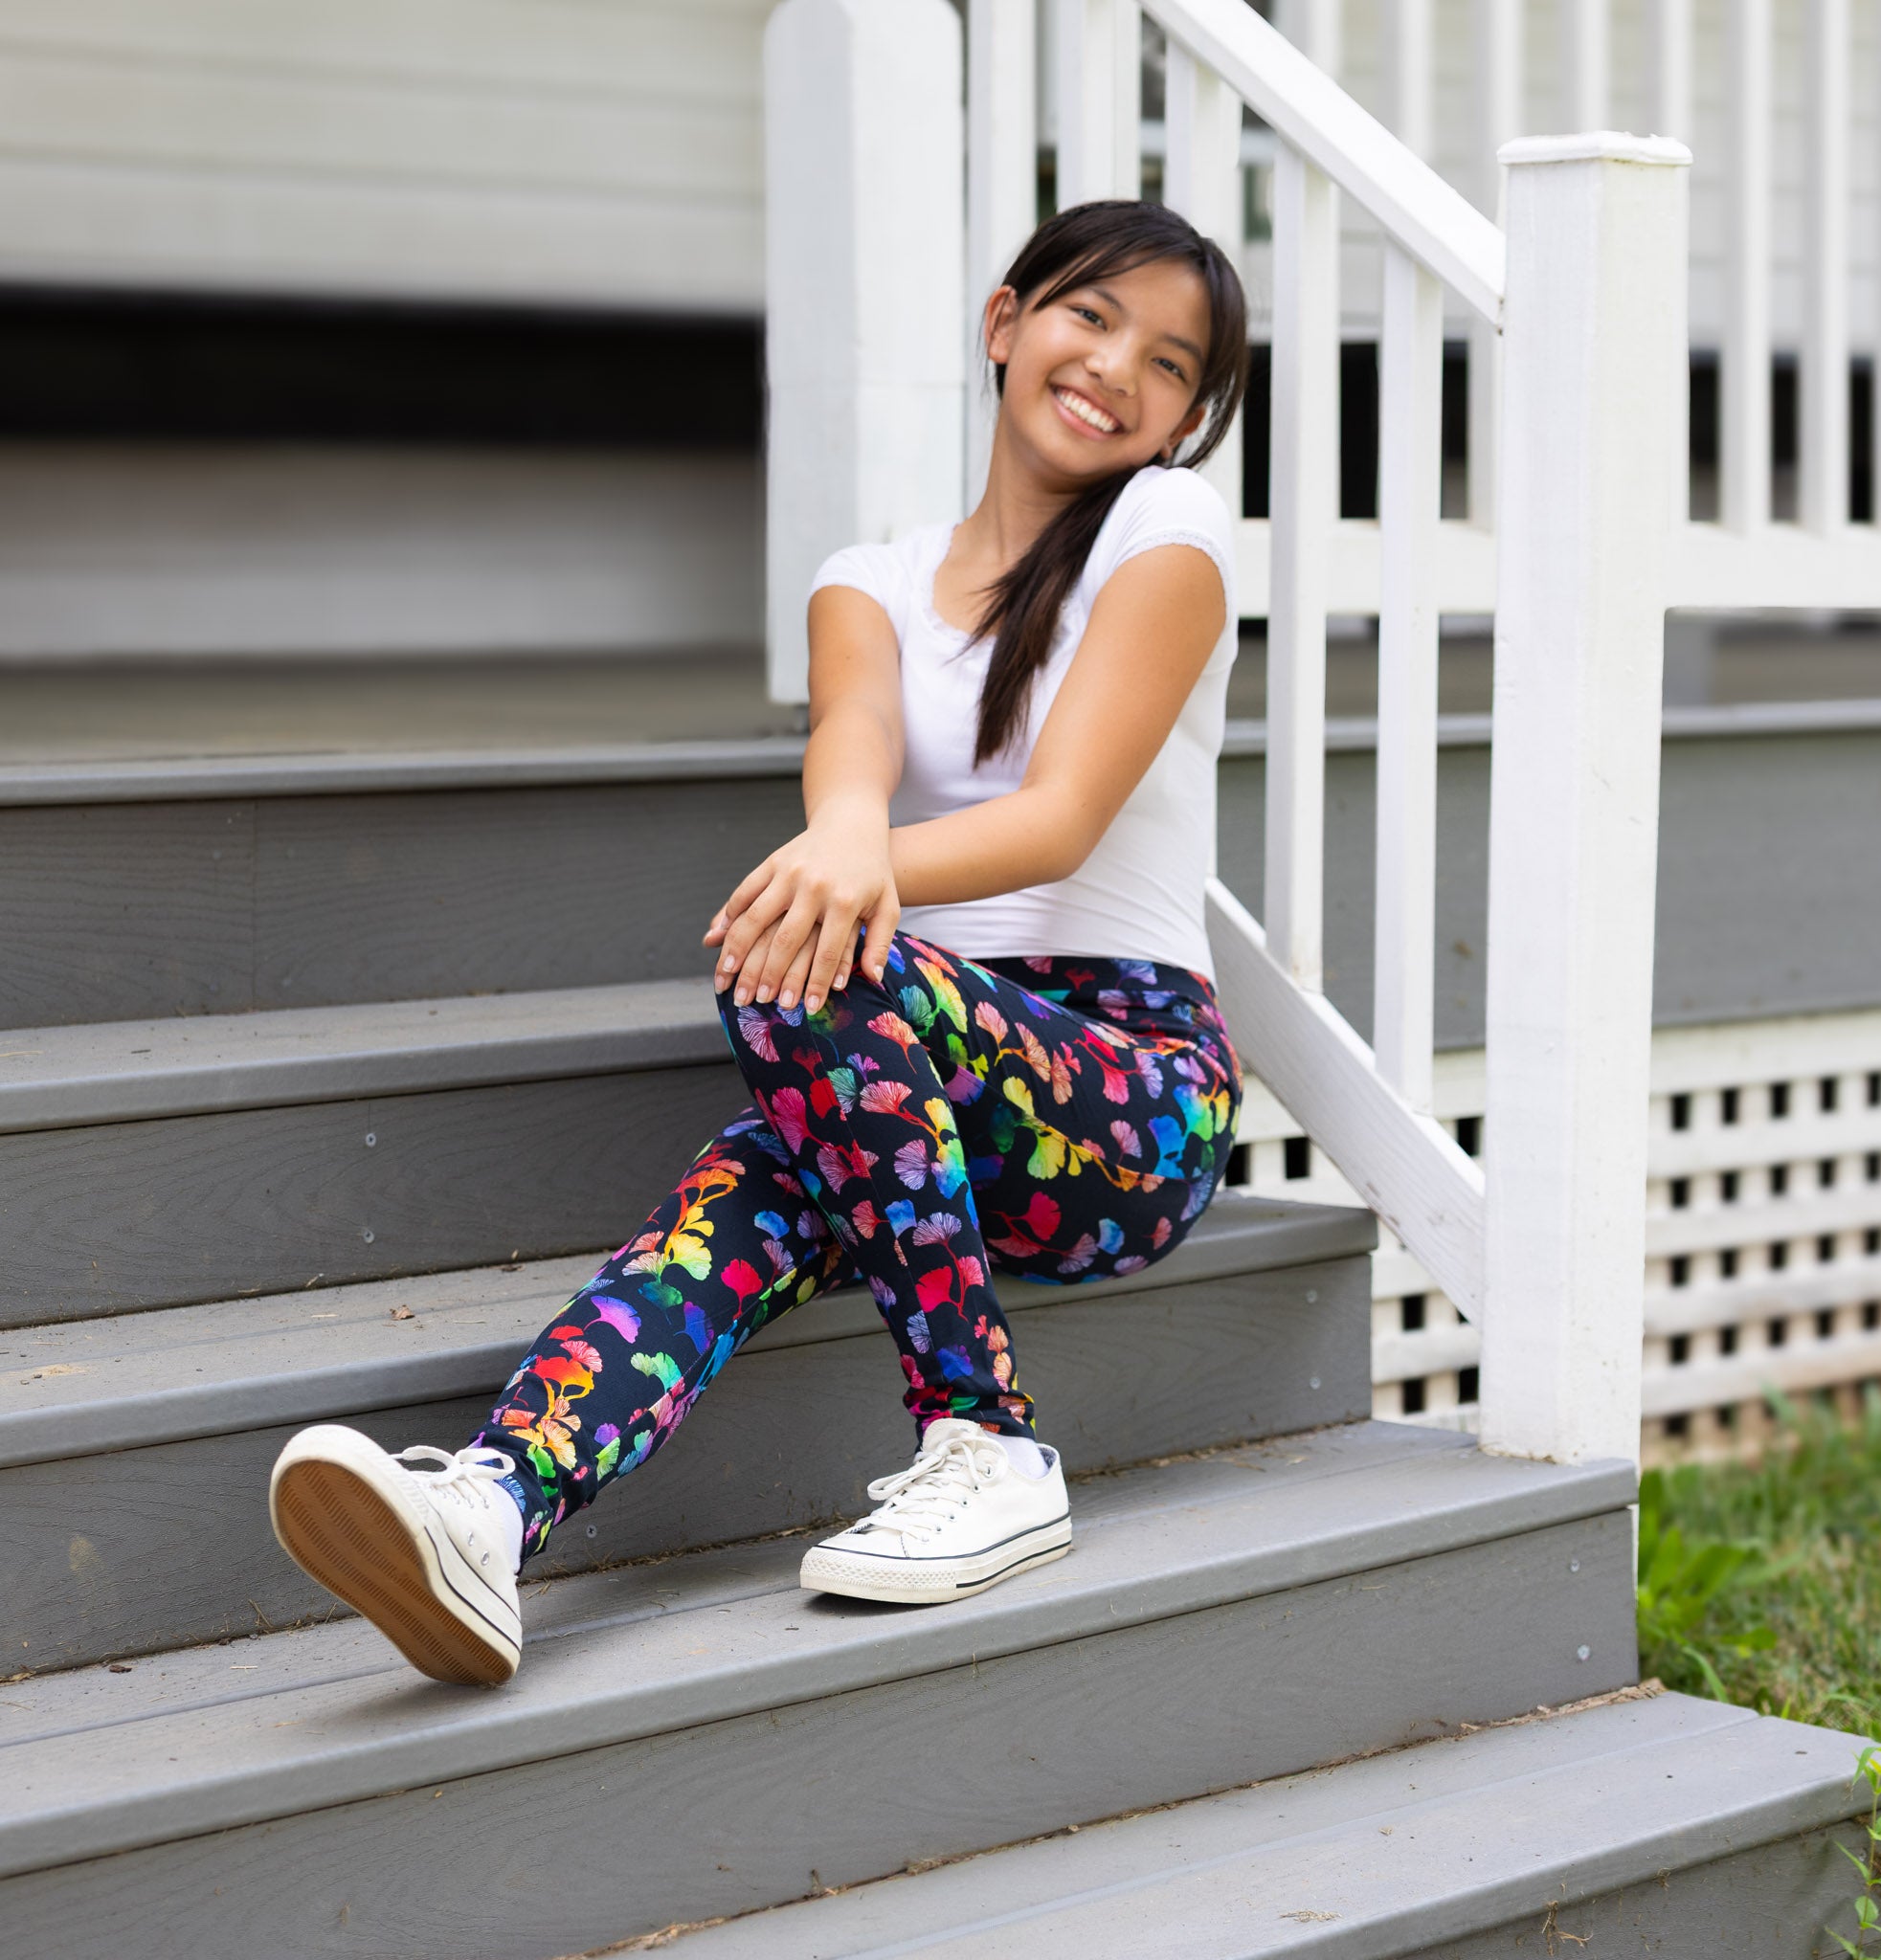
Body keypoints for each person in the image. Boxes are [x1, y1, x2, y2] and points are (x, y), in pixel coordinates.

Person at [266, 198, 1251, 1687]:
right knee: (744, 1190)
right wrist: (842, 847)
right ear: (1006, 322)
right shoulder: (869, 579)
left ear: (1185, 418)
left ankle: (986, 1441)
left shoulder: (1165, 532)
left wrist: (851, 883)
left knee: (820, 962)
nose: (1119, 368)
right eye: (1091, 316)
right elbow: (851, 755)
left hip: (1128, 1091)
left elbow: (1056, 822)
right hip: (898, 1076)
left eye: (1170, 364)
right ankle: (489, 1507)